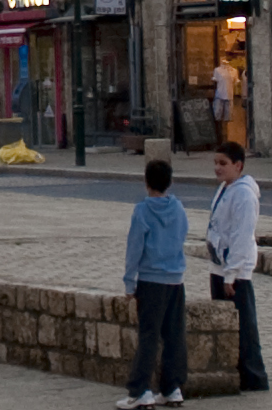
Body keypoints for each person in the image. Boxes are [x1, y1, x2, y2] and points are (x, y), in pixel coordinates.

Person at [117, 155, 189, 408]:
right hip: (175, 279)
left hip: (150, 279)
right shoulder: (178, 208)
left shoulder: (143, 211)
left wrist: (129, 282)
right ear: (169, 182)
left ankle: (140, 390)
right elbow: (182, 236)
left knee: (149, 335)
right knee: (174, 335)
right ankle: (172, 387)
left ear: (147, 183)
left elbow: (134, 248)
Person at [208, 139, 268, 392]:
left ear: (238, 165)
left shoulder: (243, 194)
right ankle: (236, 372)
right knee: (228, 324)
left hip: (234, 271)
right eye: (215, 163)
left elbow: (242, 236)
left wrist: (231, 274)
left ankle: (253, 377)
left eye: (223, 163)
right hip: (219, 266)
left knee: (244, 325)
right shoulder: (225, 188)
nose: (218, 168)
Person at [210, 55, 239, 142]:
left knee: (228, 117)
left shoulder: (234, 71)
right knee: (217, 115)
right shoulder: (217, 70)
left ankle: (225, 138)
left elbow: (236, 81)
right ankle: (220, 138)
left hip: (230, 95)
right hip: (219, 95)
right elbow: (215, 79)